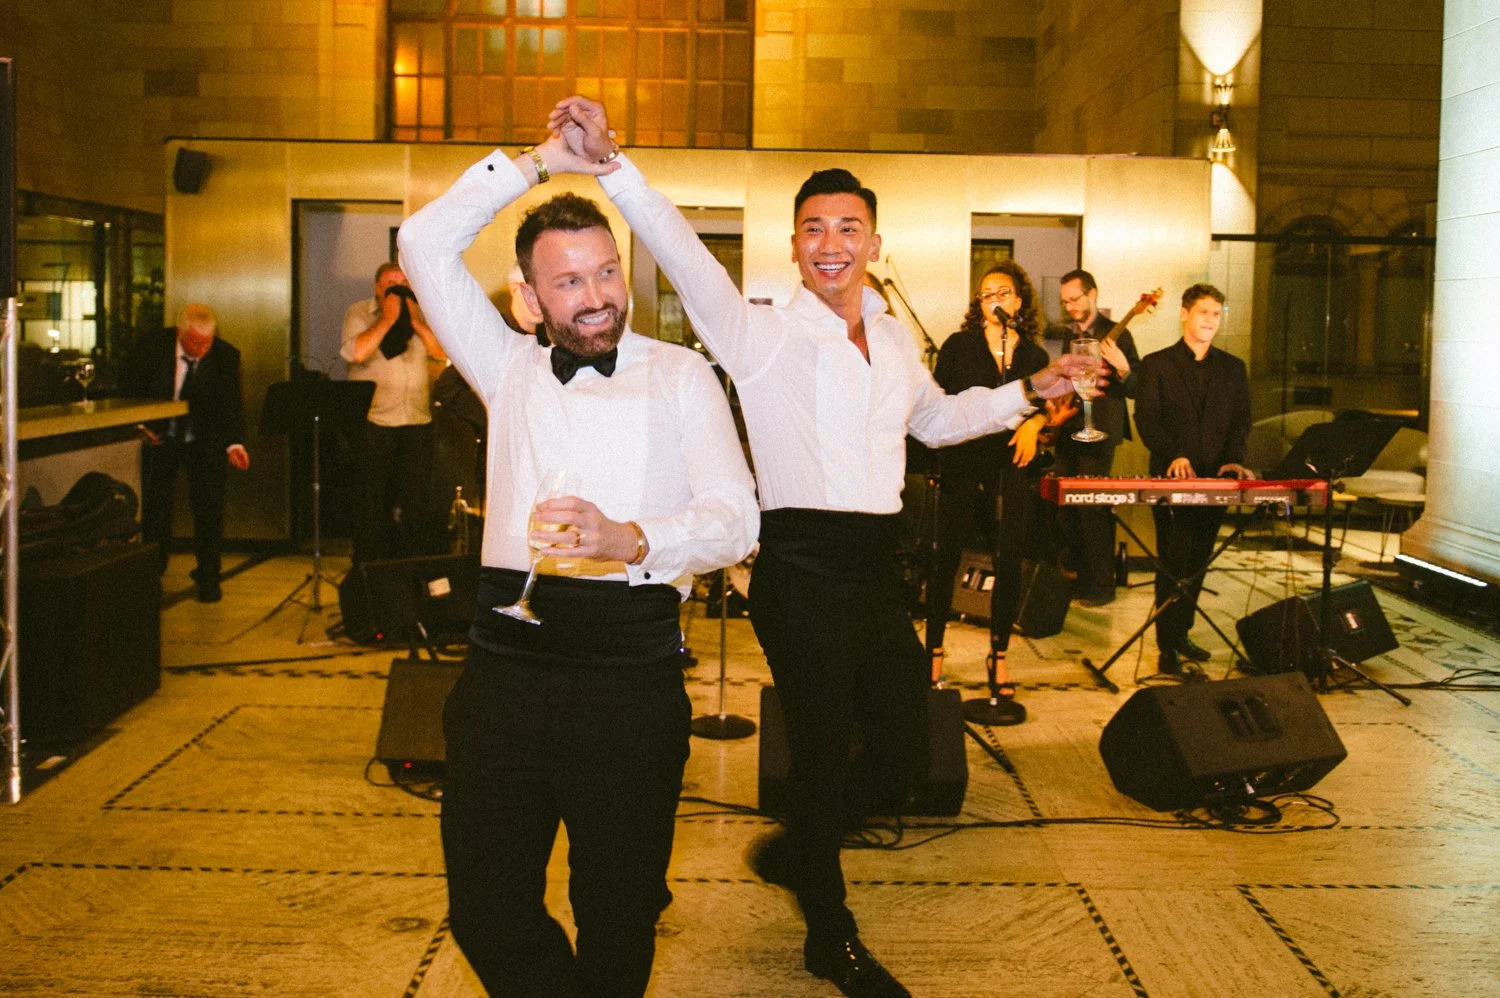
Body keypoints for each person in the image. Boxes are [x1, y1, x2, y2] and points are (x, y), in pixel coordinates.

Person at [547, 95, 1091, 997]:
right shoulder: (757, 334)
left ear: (874, 243)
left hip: (879, 569)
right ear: (794, 246)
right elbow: (679, 252)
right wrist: (615, 166)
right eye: (813, 228)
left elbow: (936, 421)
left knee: (904, 755)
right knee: (821, 742)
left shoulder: (891, 335)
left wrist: (1033, 388)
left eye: (849, 227)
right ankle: (827, 932)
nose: (831, 242)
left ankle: (804, 846)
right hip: (799, 570)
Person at [396, 134, 759, 998]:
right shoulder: (506, 366)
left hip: (628, 682)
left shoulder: (681, 376)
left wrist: (630, 540)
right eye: (569, 281)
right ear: (527, 298)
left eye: (605, 274)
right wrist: (539, 159)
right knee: (485, 908)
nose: (596, 298)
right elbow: (419, 243)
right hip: (503, 676)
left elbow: (737, 520)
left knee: (619, 913)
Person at [925, 261, 1062, 724]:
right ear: (978, 304)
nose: (995, 300)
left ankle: (998, 653)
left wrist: (1037, 423)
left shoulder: (1034, 356)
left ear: (1019, 301)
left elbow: (1050, 406)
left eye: (1003, 292)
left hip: (1012, 467)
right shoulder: (958, 346)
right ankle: (935, 650)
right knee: (946, 555)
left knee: (1009, 558)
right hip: (962, 462)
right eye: (986, 294)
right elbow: (938, 405)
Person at [1133, 283, 1253, 676]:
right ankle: (1166, 646)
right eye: (1203, 313)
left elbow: (1240, 422)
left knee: (1199, 560)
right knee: (1173, 560)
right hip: (1171, 478)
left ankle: (1181, 632)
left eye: (1216, 314)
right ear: (1184, 314)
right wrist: (1173, 455)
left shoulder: (1234, 368)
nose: (1210, 321)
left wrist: (1233, 462)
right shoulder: (1157, 364)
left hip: (1214, 481)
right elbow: (1146, 419)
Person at [125, 304, 251, 603]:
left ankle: (209, 578)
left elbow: (231, 406)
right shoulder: (151, 347)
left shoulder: (225, 355)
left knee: (209, 509)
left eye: (206, 343)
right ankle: (152, 578)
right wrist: (140, 427)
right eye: (194, 342)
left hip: (204, 439)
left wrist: (234, 445)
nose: (200, 349)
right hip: (160, 438)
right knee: (156, 510)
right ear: (180, 333)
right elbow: (128, 388)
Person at [341, 262, 448, 562]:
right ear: (377, 287)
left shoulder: (422, 314)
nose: (399, 286)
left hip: (417, 419)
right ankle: (370, 569)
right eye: (391, 282)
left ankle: (408, 569)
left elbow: (441, 354)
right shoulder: (359, 313)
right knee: (371, 502)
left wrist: (415, 322)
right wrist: (387, 320)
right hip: (374, 421)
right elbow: (356, 352)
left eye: (404, 281)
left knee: (415, 503)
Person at [1054, 269, 1141, 606]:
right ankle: (1075, 577)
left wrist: (1122, 368)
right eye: (1065, 302)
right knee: (1067, 509)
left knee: (1094, 509)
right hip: (1070, 427)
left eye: (1075, 299)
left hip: (1101, 431)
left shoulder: (1119, 334)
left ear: (1093, 294)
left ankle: (1101, 585)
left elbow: (1135, 387)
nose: (1071, 307)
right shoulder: (1068, 336)